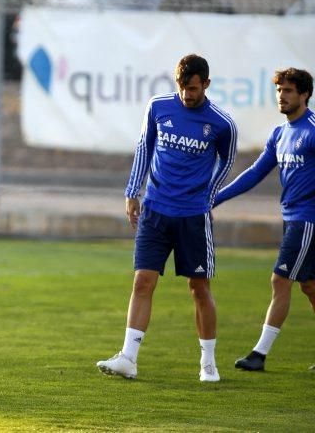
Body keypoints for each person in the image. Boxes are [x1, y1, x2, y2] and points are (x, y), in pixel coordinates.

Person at [96, 54, 237, 382]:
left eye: (192, 88)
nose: (187, 94)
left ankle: (208, 363)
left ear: (205, 84)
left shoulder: (221, 123)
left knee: (198, 287)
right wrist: (133, 191)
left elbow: (226, 161)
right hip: (155, 210)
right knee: (143, 281)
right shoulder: (158, 107)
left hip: (193, 217)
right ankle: (128, 358)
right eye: (182, 87)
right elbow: (145, 147)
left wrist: (209, 194)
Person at [213, 67, 315, 372]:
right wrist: (216, 197)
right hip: (293, 218)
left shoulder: (312, 130)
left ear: (305, 95)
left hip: (307, 220)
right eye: (279, 91)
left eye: (288, 91)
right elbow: (255, 173)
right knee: (309, 286)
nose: (281, 97)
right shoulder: (280, 134)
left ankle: (259, 354)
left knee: (279, 280)